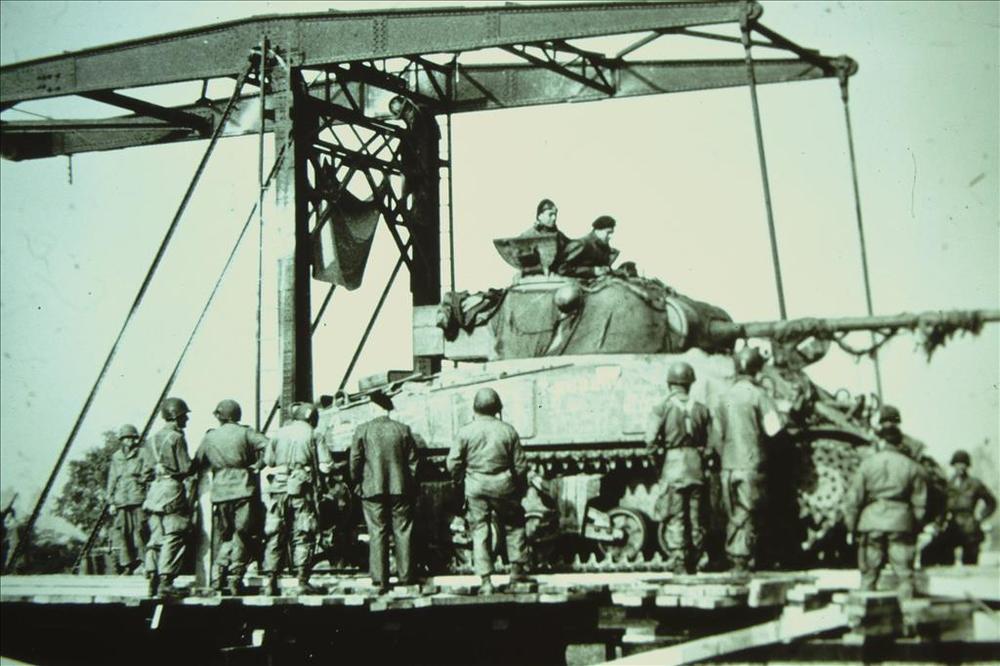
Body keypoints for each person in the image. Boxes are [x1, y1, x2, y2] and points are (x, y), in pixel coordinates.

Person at [447, 387, 533, 595]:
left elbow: (453, 463)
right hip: (503, 486)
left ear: (475, 408)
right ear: (497, 408)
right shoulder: (508, 431)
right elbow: (520, 465)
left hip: (476, 486)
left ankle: (486, 581)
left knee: (480, 530)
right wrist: (519, 487)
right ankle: (516, 573)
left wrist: (461, 480)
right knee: (514, 525)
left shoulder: (465, 432)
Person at [844, 406, 927, 599]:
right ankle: (908, 613)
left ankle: (865, 611)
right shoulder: (913, 467)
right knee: (905, 576)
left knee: (868, 575)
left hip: (871, 522)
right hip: (901, 523)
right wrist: (915, 526)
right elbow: (920, 504)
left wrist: (851, 527)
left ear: (881, 440)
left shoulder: (867, 464)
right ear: (900, 442)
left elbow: (854, 499)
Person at [716, 347, 783, 573]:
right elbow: (774, 429)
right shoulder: (758, 395)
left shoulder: (724, 396)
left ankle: (734, 556)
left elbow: (717, 434)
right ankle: (741, 560)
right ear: (756, 370)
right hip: (751, 463)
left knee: (733, 512)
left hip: (728, 464)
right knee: (748, 510)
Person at [192, 399, 269, 595]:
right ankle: (235, 578)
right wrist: (258, 465)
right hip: (243, 488)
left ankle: (217, 576)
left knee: (225, 535)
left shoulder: (210, 437)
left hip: (220, 491)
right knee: (242, 534)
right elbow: (269, 446)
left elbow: (197, 461)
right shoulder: (246, 432)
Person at [349, 390, 420, 594]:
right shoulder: (403, 429)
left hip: (372, 489)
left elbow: (355, 460)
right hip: (400, 489)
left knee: (377, 532)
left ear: (374, 407)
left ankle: (380, 581)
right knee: (403, 531)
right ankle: (406, 579)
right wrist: (408, 483)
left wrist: (357, 482)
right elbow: (413, 462)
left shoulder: (362, 430)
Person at [644, 361, 711, 574]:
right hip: (696, 467)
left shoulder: (662, 408)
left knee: (676, 516)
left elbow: (650, 441)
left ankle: (680, 561)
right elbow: (711, 443)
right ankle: (698, 559)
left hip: (673, 466)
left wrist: (659, 465)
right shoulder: (701, 409)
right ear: (690, 384)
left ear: (670, 383)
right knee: (696, 517)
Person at [262, 402, 331, 596]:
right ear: (312, 417)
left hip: (278, 489)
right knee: (303, 533)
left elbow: (268, 461)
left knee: (275, 534)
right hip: (302, 490)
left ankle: (270, 582)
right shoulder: (314, 434)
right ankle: (302, 581)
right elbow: (325, 466)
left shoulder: (278, 433)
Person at [142, 397, 194, 597]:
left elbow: (145, 472)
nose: (186, 419)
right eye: (184, 416)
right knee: (174, 533)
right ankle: (166, 582)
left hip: (154, 491)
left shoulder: (151, 440)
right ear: (176, 416)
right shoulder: (176, 438)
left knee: (156, 536)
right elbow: (186, 467)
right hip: (172, 489)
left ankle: (152, 579)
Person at [935, 450, 997, 565]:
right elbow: (942, 507)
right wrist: (939, 523)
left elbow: (991, 502)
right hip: (952, 526)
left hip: (970, 528)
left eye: (963, 464)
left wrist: (981, 516)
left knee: (970, 564)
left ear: (968, 466)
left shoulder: (975, 484)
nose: (961, 467)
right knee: (946, 562)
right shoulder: (948, 484)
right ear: (953, 465)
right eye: (958, 464)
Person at [106, 423, 151, 575]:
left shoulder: (143, 453)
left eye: (132, 438)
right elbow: (112, 479)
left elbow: (148, 474)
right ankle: (127, 565)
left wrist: (147, 495)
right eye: (126, 438)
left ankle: (146, 563)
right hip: (121, 500)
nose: (129, 441)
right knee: (123, 533)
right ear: (122, 440)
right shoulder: (116, 457)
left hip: (138, 497)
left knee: (141, 530)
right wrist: (110, 501)